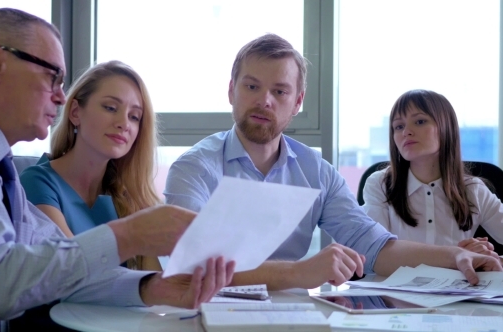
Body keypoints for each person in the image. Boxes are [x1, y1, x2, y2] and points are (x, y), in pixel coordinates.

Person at [0, 8, 233, 332]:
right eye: (52, 76)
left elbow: (58, 266)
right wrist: (130, 235)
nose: (61, 96)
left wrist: (150, 288)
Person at [164, 33, 502, 291]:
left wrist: (454, 257)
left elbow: (376, 247)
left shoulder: (317, 173)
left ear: (297, 102)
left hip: (290, 314)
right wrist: (299, 272)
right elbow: (191, 268)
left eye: (280, 92)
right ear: (231, 91)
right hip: (208, 312)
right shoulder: (194, 168)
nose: (264, 101)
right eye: (252, 86)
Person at [20, 60, 162, 271]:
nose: (123, 123)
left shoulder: (130, 197)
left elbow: (156, 282)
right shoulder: (37, 183)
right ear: (76, 112)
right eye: (110, 108)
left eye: (134, 117)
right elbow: (76, 270)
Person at [362, 89, 503, 260]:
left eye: (420, 121)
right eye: (399, 126)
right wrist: (459, 255)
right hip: (392, 285)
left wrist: (489, 256)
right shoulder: (380, 184)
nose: (407, 131)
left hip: (456, 286)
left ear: (446, 128)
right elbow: (373, 253)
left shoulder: (473, 190)